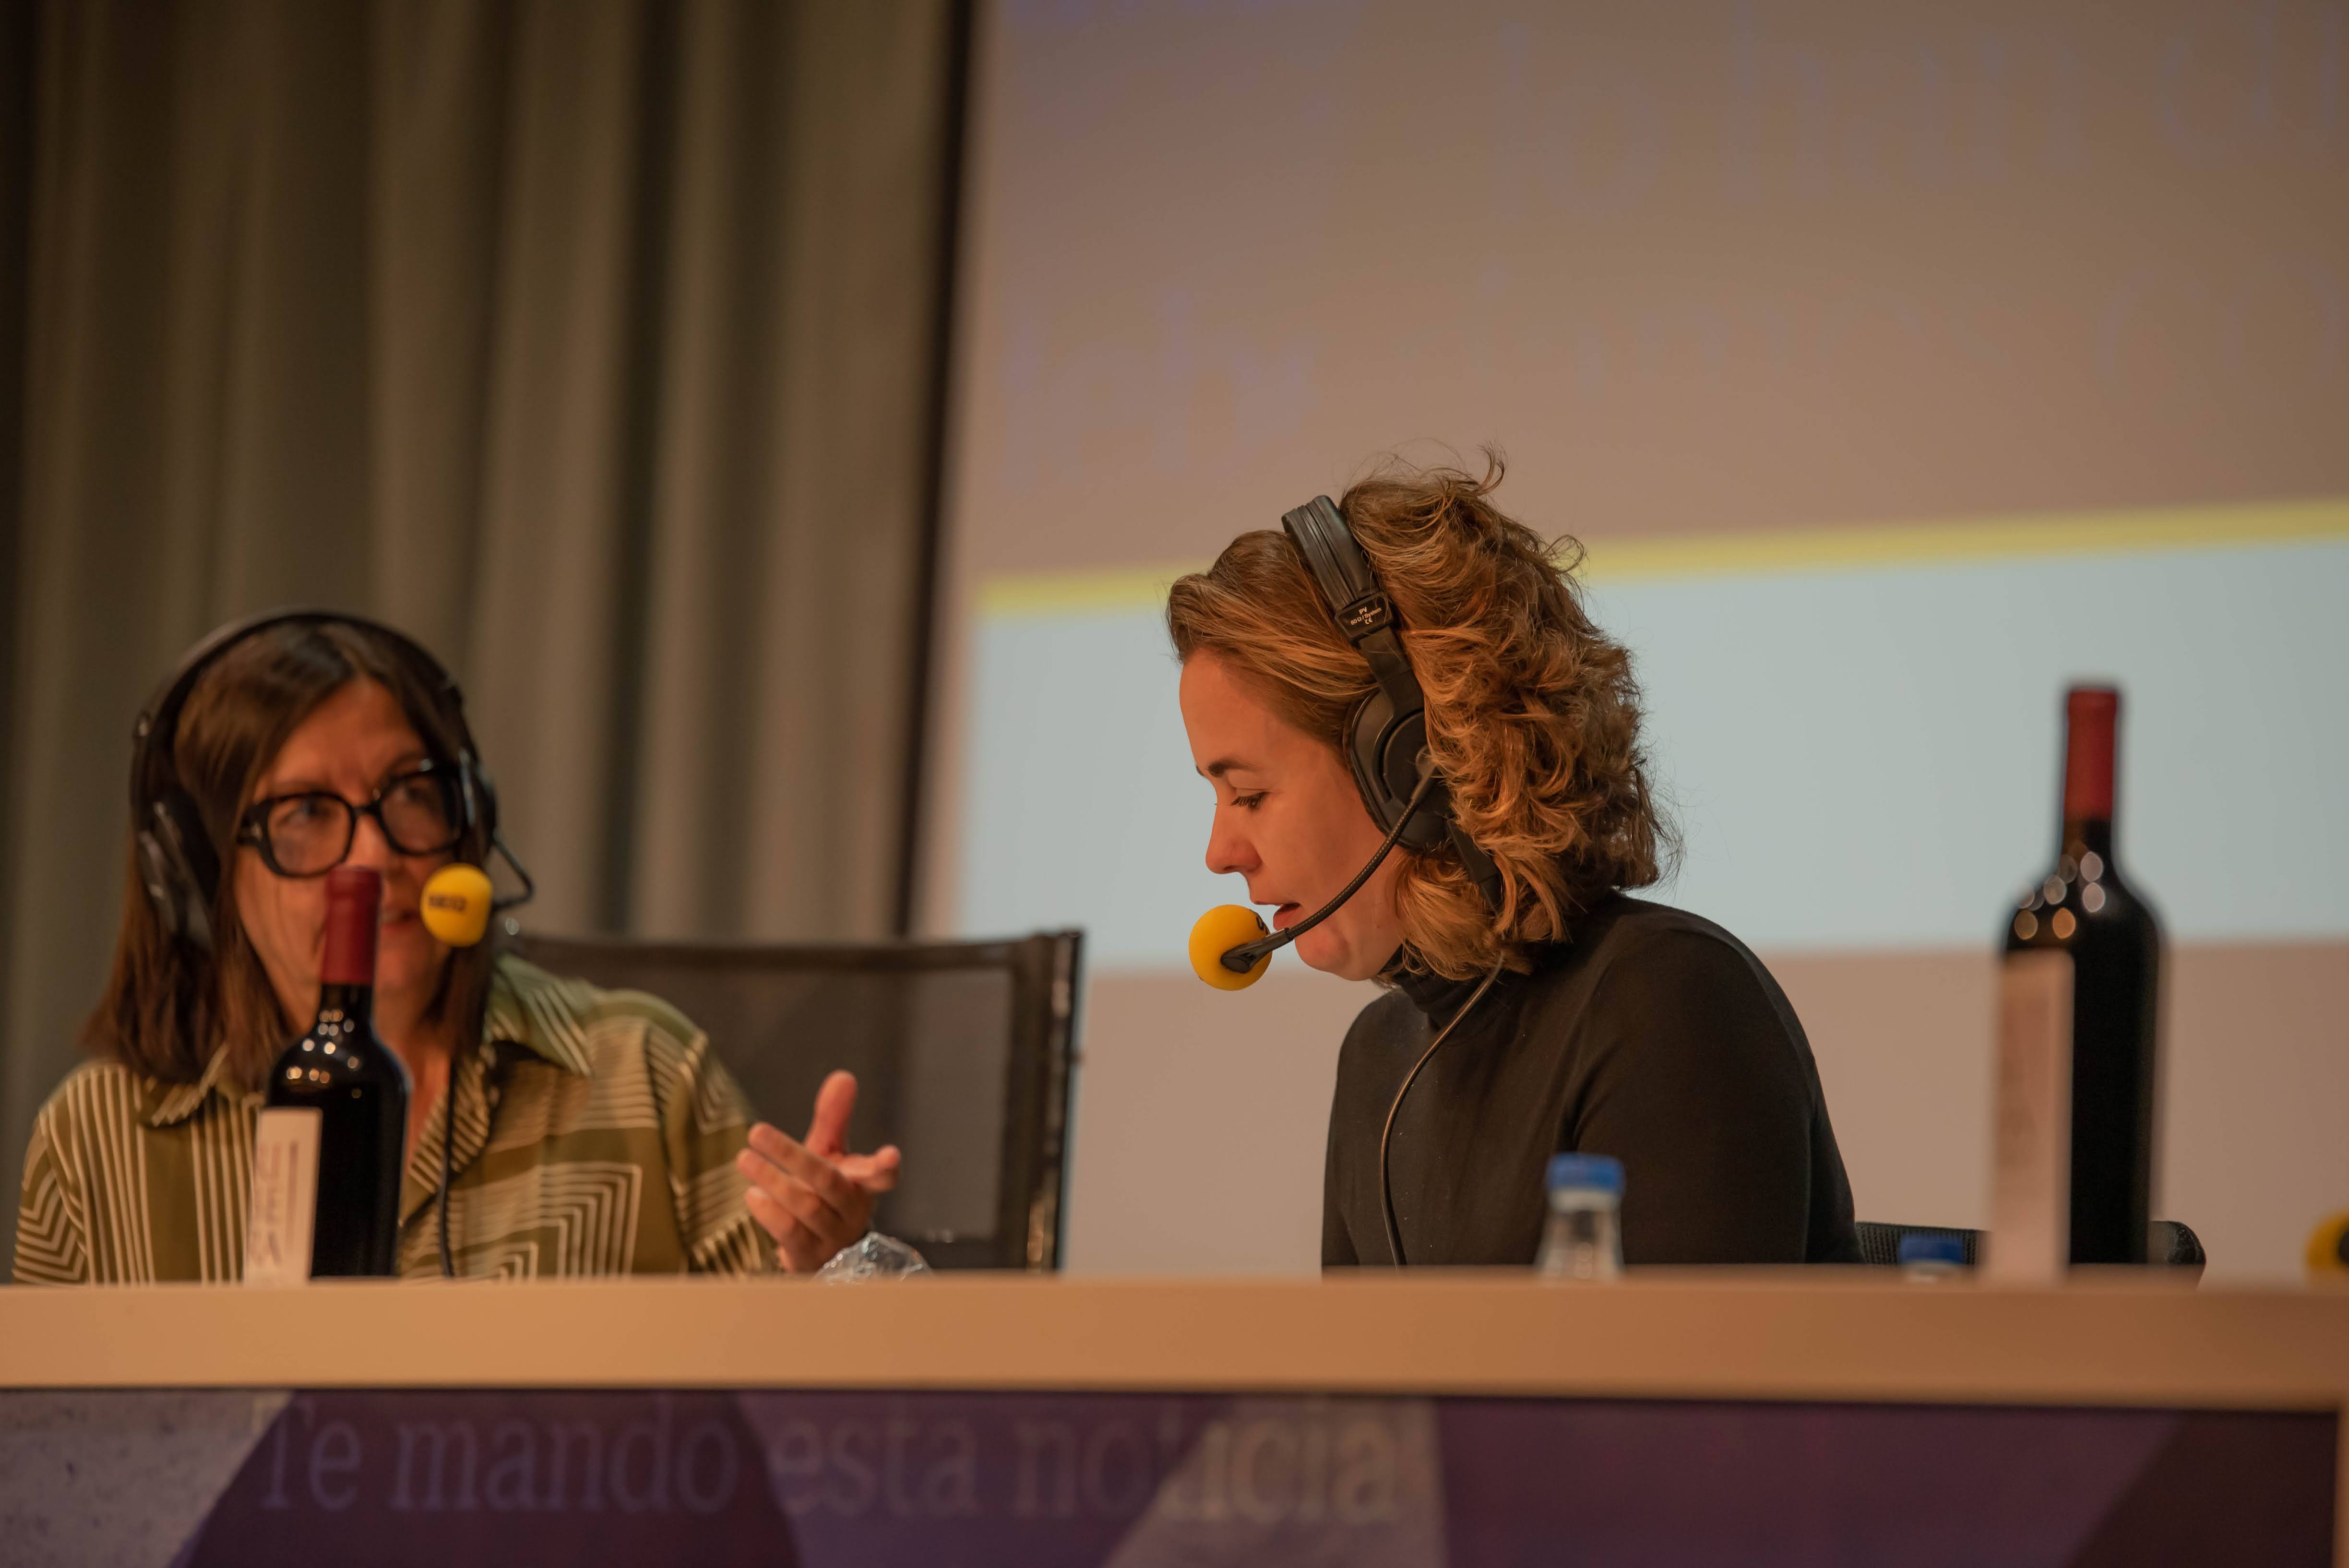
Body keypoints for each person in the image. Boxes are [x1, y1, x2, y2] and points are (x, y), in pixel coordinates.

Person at [13, 613, 898, 1283]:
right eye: (307, 814)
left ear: (470, 818)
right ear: (203, 872)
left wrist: (834, 1261)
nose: (379, 857)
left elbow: (805, 1430)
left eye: (411, 793)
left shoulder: (643, 1075)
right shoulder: (101, 1143)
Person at [1167, 458, 1860, 1268]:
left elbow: (1682, 1393)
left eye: (1247, 794)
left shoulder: (1665, 1004)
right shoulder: (1380, 1059)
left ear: (1416, 764)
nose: (1220, 854)